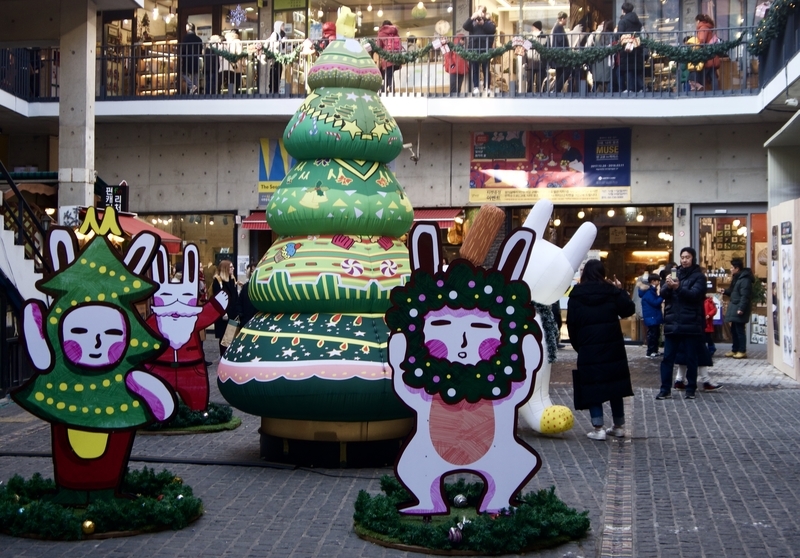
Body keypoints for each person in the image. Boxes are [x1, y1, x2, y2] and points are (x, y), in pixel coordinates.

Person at [567, 259, 635, 441]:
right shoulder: (611, 292)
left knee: (592, 387)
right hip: (612, 347)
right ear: (602, 273)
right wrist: (620, 290)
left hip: (588, 348)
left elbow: (572, 325)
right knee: (615, 385)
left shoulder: (576, 295)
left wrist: (578, 346)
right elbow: (628, 310)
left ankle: (598, 428)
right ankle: (619, 426)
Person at [657, 248, 707, 400]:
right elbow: (663, 294)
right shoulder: (674, 273)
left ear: (693, 258)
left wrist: (678, 288)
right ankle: (665, 389)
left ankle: (691, 388)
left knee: (691, 358)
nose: (684, 260)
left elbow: (695, 295)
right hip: (673, 323)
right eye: (682, 257)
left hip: (690, 322)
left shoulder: (699, 276)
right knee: (667, 358)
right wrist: (667, 286)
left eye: (688, 257)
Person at [719, 257, 754, 359]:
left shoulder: (745, 280)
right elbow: (734, 292)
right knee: (734, 329)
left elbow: (745, 296)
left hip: (739, 307)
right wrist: (725, 291)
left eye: (731, 267)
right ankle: (735, 349)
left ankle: (742, 350)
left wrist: (741, 308)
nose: (730, 269)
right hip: (735, 306)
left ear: (737, 268)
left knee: (739, 330)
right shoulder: (737, 278)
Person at [462, 5, 496, 95]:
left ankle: (487, 86)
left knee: (486, 68)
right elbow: (465, 26)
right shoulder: (473, 23)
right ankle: (476, 87)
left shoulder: (488, 22)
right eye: (478, 11)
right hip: (474, 48)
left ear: (484, 13)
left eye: (481, 11)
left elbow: (492, 30)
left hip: (485, 49)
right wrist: (472, 17)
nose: (479, 14)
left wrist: (483, 23)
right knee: (475, 68)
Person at [212, 259, 241, 356]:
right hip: (223, 314)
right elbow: (217, 299)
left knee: (232, 335)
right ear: (225, 268)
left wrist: (237, 311)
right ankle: (223, 356)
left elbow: (235, 297)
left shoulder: (232, 279)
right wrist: (222, 312)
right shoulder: (217, 280)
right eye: (231, 267)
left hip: (233, 313)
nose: (233, 268)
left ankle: (230, 355)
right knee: (223, 337)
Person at [617, 2, 644, 93]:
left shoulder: (623, 21)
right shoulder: (638, 22)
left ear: (623, 10)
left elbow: (619, 35)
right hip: (637, 47)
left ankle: (631, 88)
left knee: (628, 69)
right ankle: (641, 87)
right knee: (635, 69)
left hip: (627, 48)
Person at [640, 273, 664, 358]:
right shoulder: (649, 292)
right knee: (652, 335)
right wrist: (662, 296)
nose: (659, 282)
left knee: (655, 334)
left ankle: (654, 350)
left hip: (653, 317)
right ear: (653, 281)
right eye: (657, 280)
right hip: (652, 317)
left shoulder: (651, 291)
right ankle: (650, 352)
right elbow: (655, 302)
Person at [695, 14, 721, 89]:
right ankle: (715, 92)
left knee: (703, 74)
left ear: (699, 21)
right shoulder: (707, 26)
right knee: (712, 74)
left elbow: (702, 40)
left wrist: (697, 44)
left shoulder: (703, 27)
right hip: (711, 53)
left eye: (696, 21)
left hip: (707, 54)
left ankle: (701, 92)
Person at [589, 21, 615, 92]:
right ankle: (610, 94)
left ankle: (593, 93)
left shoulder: (598, 36)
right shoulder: (612, 36)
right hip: (608, 62)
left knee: (597, 81)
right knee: (609, 80)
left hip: (598, 62)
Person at [377, 20, 402, 93]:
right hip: (396, 56)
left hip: (387, 56)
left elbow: (378, 47)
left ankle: (391, 88)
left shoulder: (381, 33)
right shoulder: (395, 32)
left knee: (389, 73)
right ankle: (384, 88)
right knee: (389, 73)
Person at [180, 23, 204, 95]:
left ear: (188, 29)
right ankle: (195, 91)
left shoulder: (185, 38)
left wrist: (182, 57)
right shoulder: (198, 39)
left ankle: (192, 86)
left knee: (183, 74)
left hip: (187, 59)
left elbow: (183, 50)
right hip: (195, 59)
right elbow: (200, 51)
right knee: (195, 75)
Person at [549, 12, 569, 93]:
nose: (567, 21)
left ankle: (556, 90)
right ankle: (556, 89)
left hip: (557, 55)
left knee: (560, 73)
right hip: (560, 55)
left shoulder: (556, 27)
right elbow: (561, 41)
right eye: (566, 19)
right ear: (563, 19)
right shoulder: (559, 28)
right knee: (567, 70)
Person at [266, 22, 286, 94]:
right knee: (274, 76)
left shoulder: (281, 35)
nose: (283, 27)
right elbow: (273, 45)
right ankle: (273, 92)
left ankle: (276, 91)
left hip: (279, 58)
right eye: (282, 25)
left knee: (278, 75)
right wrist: (281, 41)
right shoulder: (275, 34)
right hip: (275, 58)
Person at [526, 21, 545, 93]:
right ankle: (529, 97)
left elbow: (546, 51)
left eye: (533, 27)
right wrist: (524, 62)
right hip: (531, 63)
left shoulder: (544, 38)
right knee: (529, 82)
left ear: (536, 28)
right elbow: (525, 50)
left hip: (541, 64)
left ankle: (539, 98)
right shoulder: (530, 38)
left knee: (539, 83)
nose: (531, 28)